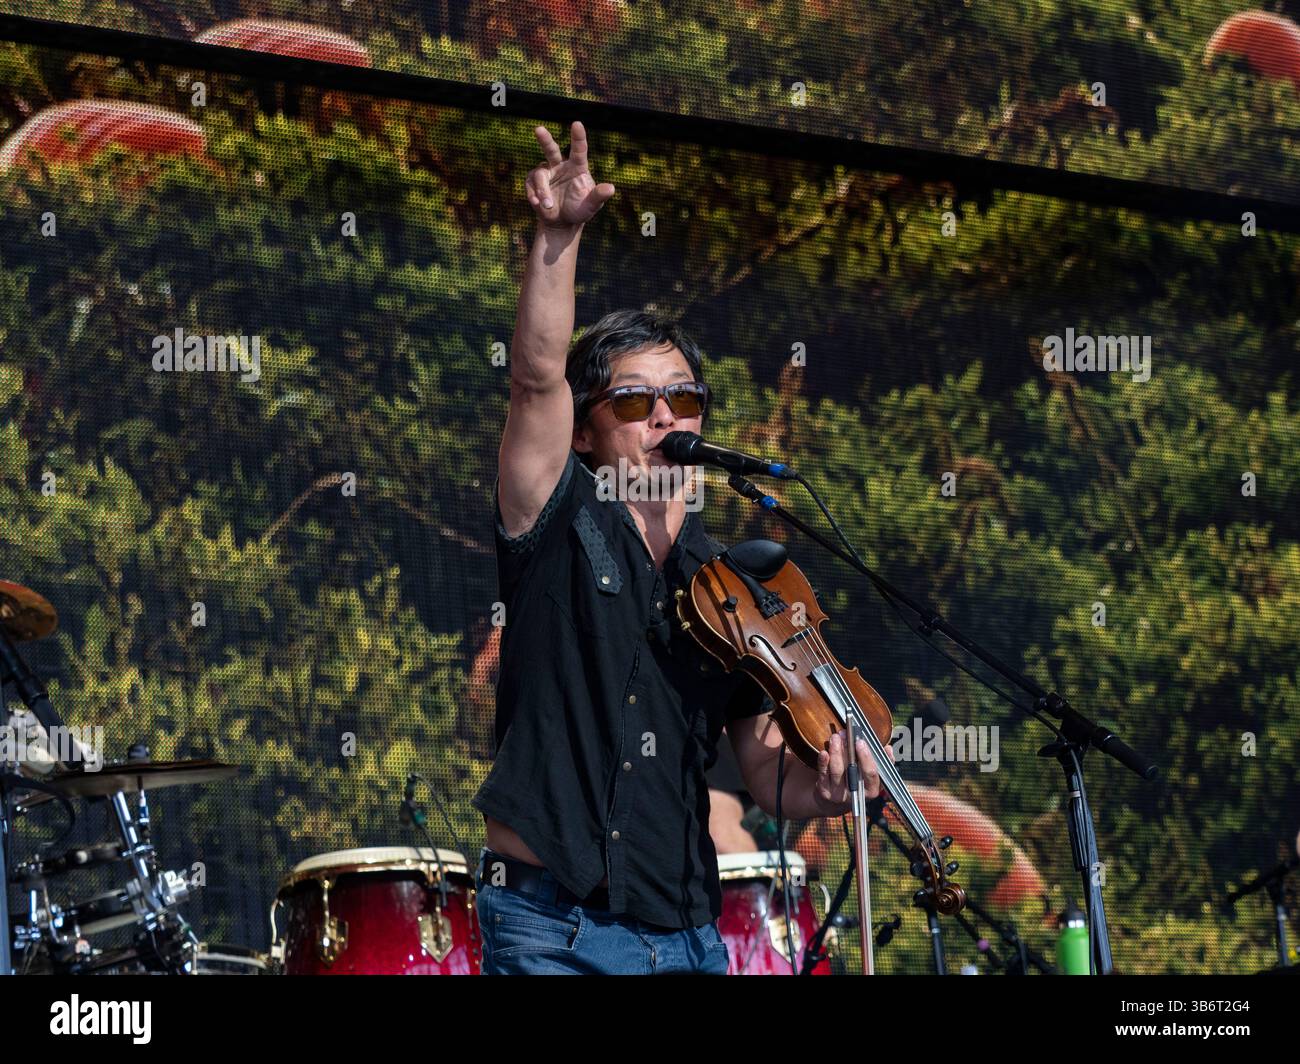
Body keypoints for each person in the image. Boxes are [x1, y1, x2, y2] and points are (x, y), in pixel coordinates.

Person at [471, 121, 887, 975]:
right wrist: (558, 237)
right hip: (555, 934)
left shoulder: (732, 587)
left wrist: (834, 784)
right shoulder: (554, 515)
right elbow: (536, 378)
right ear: (587, 433)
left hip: (691, 937)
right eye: (634, 403)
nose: (666, 418)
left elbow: (770, 767)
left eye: (684, 399)